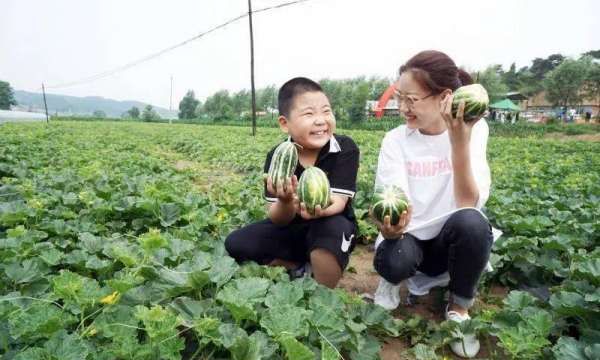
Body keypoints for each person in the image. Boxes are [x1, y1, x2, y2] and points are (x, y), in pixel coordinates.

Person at [371, 50, 494, 358]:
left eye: (412, 100)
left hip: (448, 241)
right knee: (395, 260)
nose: (403, 108)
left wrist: (458, 142)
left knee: (473, 222)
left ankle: (458, 310)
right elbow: (391, 200)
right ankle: (391, 281)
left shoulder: (475, 129)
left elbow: (468, 203)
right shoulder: (395, 140)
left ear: (445, 97)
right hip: (408, 236)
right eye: (400, 98)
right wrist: (390, 230)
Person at [225, 77, 360, 289]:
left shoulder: (345, 148)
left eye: (326, 111)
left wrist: (315, 210)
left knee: (334, 230)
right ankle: (298, 266)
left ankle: (322, 292)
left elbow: (339, 201)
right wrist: (285, 201)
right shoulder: (278, 156)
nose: (321, 120)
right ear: (284, 124)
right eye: (309, 113)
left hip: (330, 224)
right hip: (292, 229)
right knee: (236, 243)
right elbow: (277, 218)